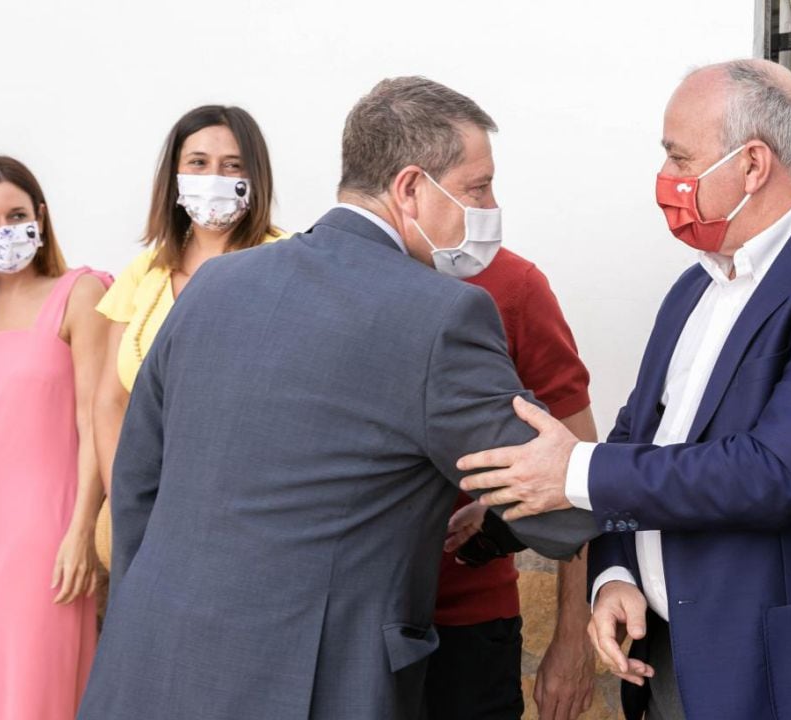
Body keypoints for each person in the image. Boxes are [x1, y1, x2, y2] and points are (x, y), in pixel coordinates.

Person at [76, 76, 596, 720]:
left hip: (149, 665)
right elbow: (561, 509)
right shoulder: (442, 315)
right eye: (477, 187)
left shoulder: (214, 283)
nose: (490, 206)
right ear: (410, 188)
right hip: (310, 679)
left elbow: (135, 480)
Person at [460, 58, 791, 720]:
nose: (667, 180)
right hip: (665, 664)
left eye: (680, 159)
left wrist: (572, 469)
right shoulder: (696, 287)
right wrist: (617, 570)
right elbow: (638, 443)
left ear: (752, 164)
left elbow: (778, 473)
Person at [92, 105, 287, 570]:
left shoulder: (287, 261)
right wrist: (129, 501)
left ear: (255, 176)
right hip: (142, 520)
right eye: (198, 163)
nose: (213, 176)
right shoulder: (143, 274)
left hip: (242, 519)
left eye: (232, 165)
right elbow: (109, 402)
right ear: (174, 176)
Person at [0, 156, 111, 720]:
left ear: (40, 217)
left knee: (29, 692)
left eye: (16, 215)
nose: (4, 231)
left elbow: (94, 419)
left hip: (38, 533)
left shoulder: (79, 294)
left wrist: (81, 534)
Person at [427, 246, 598, 720]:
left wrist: (570, 636)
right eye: (476, 189)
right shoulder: (341, 276)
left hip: (469, 625)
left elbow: (579, 471)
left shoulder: (516, 285)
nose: (487, 208)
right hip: (358, 630)